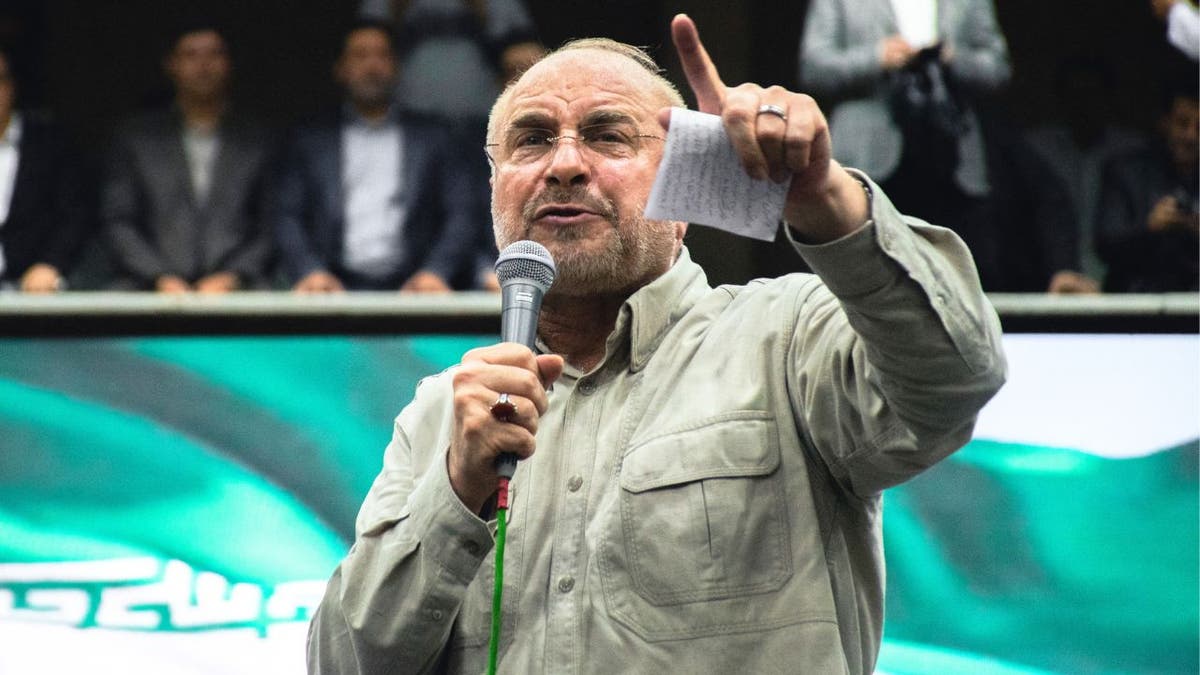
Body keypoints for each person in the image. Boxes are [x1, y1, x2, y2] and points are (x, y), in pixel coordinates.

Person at [307, 14, 1005, 675]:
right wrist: (456, 491)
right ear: (495, 191)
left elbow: (956, 377)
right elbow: (342, 662)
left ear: (686, 187)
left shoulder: (785, 338)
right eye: (531, 139)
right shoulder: (442, 415)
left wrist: (824, 197)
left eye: (608, 135)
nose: (564, 164)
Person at [798, 0, 1010, 287]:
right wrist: (878, 58)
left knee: (962, 278)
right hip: (869, 159)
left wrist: (951, 58)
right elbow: (814, 67)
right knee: (860, 275)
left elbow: (998, 68)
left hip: (951, 155)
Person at [273, 20, 488, 293]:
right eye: (360, 56)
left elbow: (461, 213)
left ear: (396, 67)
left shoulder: (435, 137)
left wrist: (436, 271)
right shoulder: (309, 139)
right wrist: (309, 270)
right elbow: (286, 214)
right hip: (329, 290)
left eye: (382, 55)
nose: (372, 66)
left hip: (417, 291)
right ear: (340, 69)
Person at [101, 23, 275, 292]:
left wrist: (231, 276)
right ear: (171, 64)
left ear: (228, 64)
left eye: (213, 54)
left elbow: (272, 223)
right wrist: (160, 276)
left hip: (241, 286)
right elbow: (118, 220)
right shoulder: (137, 137)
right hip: (147, 284)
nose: (203, 65)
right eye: (191, 55)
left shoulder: (258, 138)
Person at [0, 48, 89, 293]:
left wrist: (50, 264)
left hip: (34, 283)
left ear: (12, 86)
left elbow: (74, 214)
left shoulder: (49, 145)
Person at [1096, 82, 1199, 292]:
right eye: (1182, 124)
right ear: (1164, 122)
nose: (1191, 136)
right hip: (1135, 302)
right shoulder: (1126, 172)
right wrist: (1149, 228)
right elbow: (1106, 245)